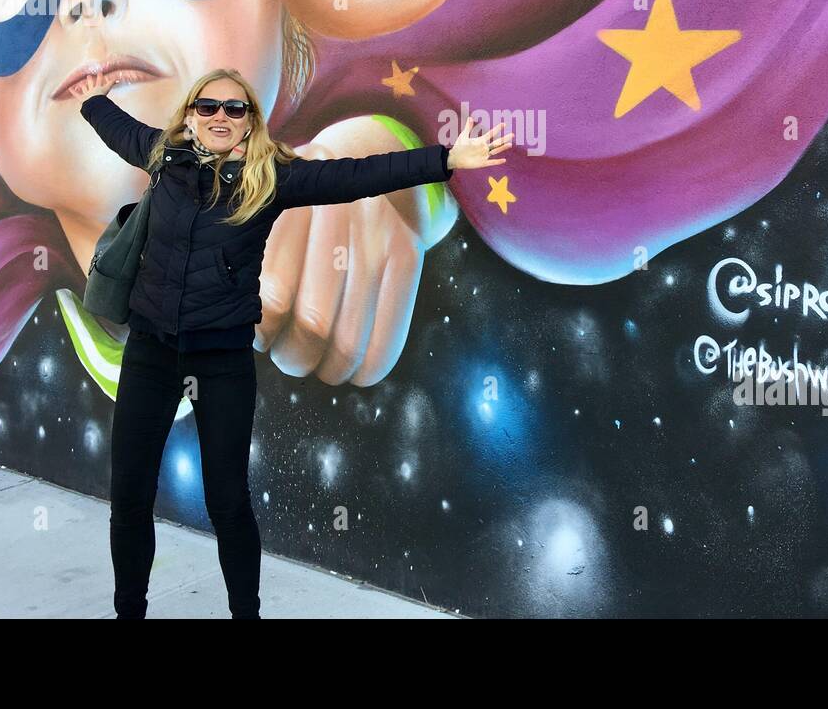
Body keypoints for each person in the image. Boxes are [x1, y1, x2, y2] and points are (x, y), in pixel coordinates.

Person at [74, 64, 512, 619]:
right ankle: (129, 611)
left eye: (236, 109)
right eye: (208, 106)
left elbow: (357, 176)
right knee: (130, 496)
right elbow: (119, 128)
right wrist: (92, 101)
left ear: (250, 122)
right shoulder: (165, 157)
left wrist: (445, 160)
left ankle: (246, 616)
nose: (220, 117)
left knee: (227, 502)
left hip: (222, 362)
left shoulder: (273, 178)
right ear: (190, 115)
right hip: (151, 353)